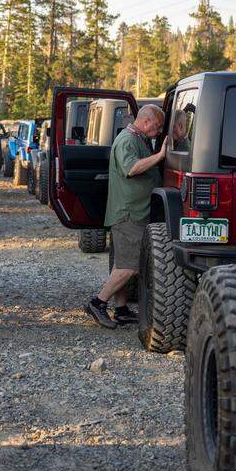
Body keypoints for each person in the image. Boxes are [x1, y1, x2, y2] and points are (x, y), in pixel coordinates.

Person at [86, 103, 168, 329]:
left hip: (135, 212)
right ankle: (97, 303)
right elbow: (131, 168)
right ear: (146, 121)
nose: (159, 131)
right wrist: (160, 156)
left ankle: (121, 310)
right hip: (128, 214)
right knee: (130, 266)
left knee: (123, 262)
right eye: (158, 126)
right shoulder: (127, 140)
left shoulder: (139, 138)